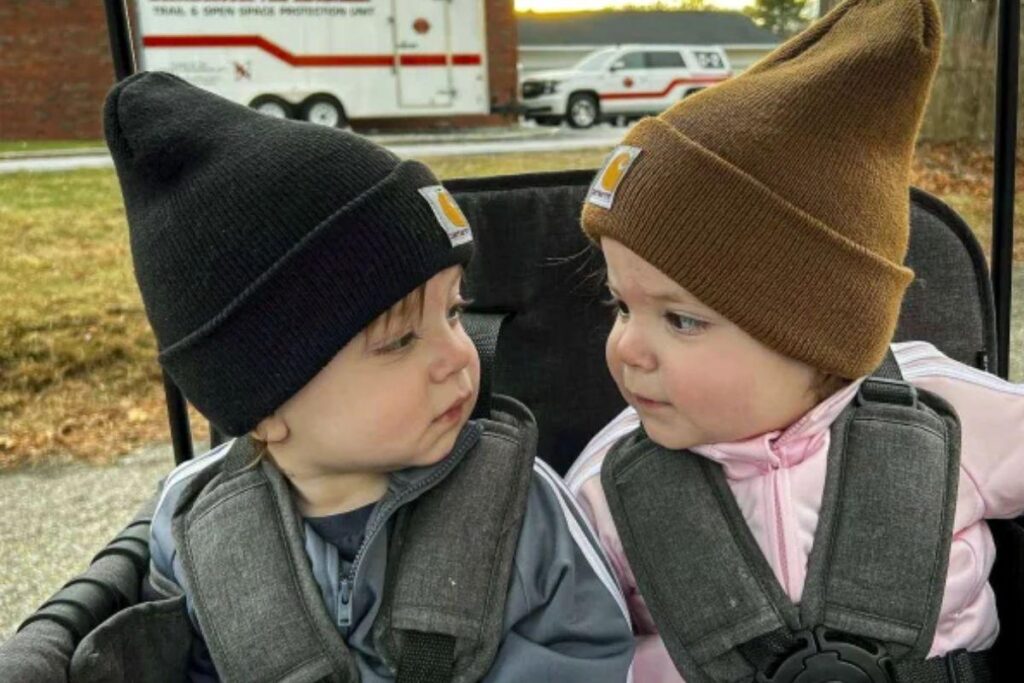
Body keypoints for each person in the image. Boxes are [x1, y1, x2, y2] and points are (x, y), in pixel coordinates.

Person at [0, 71, 634, 683]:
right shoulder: (193, 522)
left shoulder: (522, 508)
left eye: (454, 312)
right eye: (400, 341)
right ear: (265, 404)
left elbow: (589, 651)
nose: (459, 356)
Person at [565, 0, 1024, 680]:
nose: (627, 348)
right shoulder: (608, 489)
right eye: (620, 305)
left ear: (816, 333)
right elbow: (572, 652)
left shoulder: (946, 414)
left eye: (680, 318)